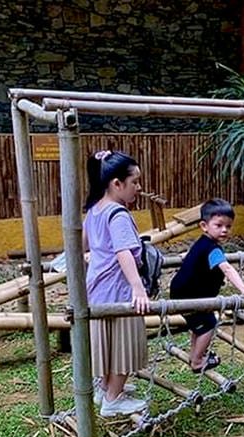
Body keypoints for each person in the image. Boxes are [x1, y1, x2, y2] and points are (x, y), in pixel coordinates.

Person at [84, 150, 149, 417]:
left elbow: (84, 245)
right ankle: (113, 398)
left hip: (98, 288)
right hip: (118, 289)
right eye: (134, 181)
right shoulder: (117, 214)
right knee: (124, 342)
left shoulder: (94, 210)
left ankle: (104, 387)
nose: (139, 187)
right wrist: (138, 288)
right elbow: (124, 251)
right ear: (117, 184)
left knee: (106, 341)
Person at [170, 199, 244, 373]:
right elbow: (226, 268)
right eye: (219, 225)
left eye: (228, 226)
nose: (224, 230)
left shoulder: (202, 243)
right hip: (190, 295)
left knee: (199, 324)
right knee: (209, 324)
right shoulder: (213, 249)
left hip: (181, 292)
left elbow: (191, 256)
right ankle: (197, 361)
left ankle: (196, 354)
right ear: (204, 226)